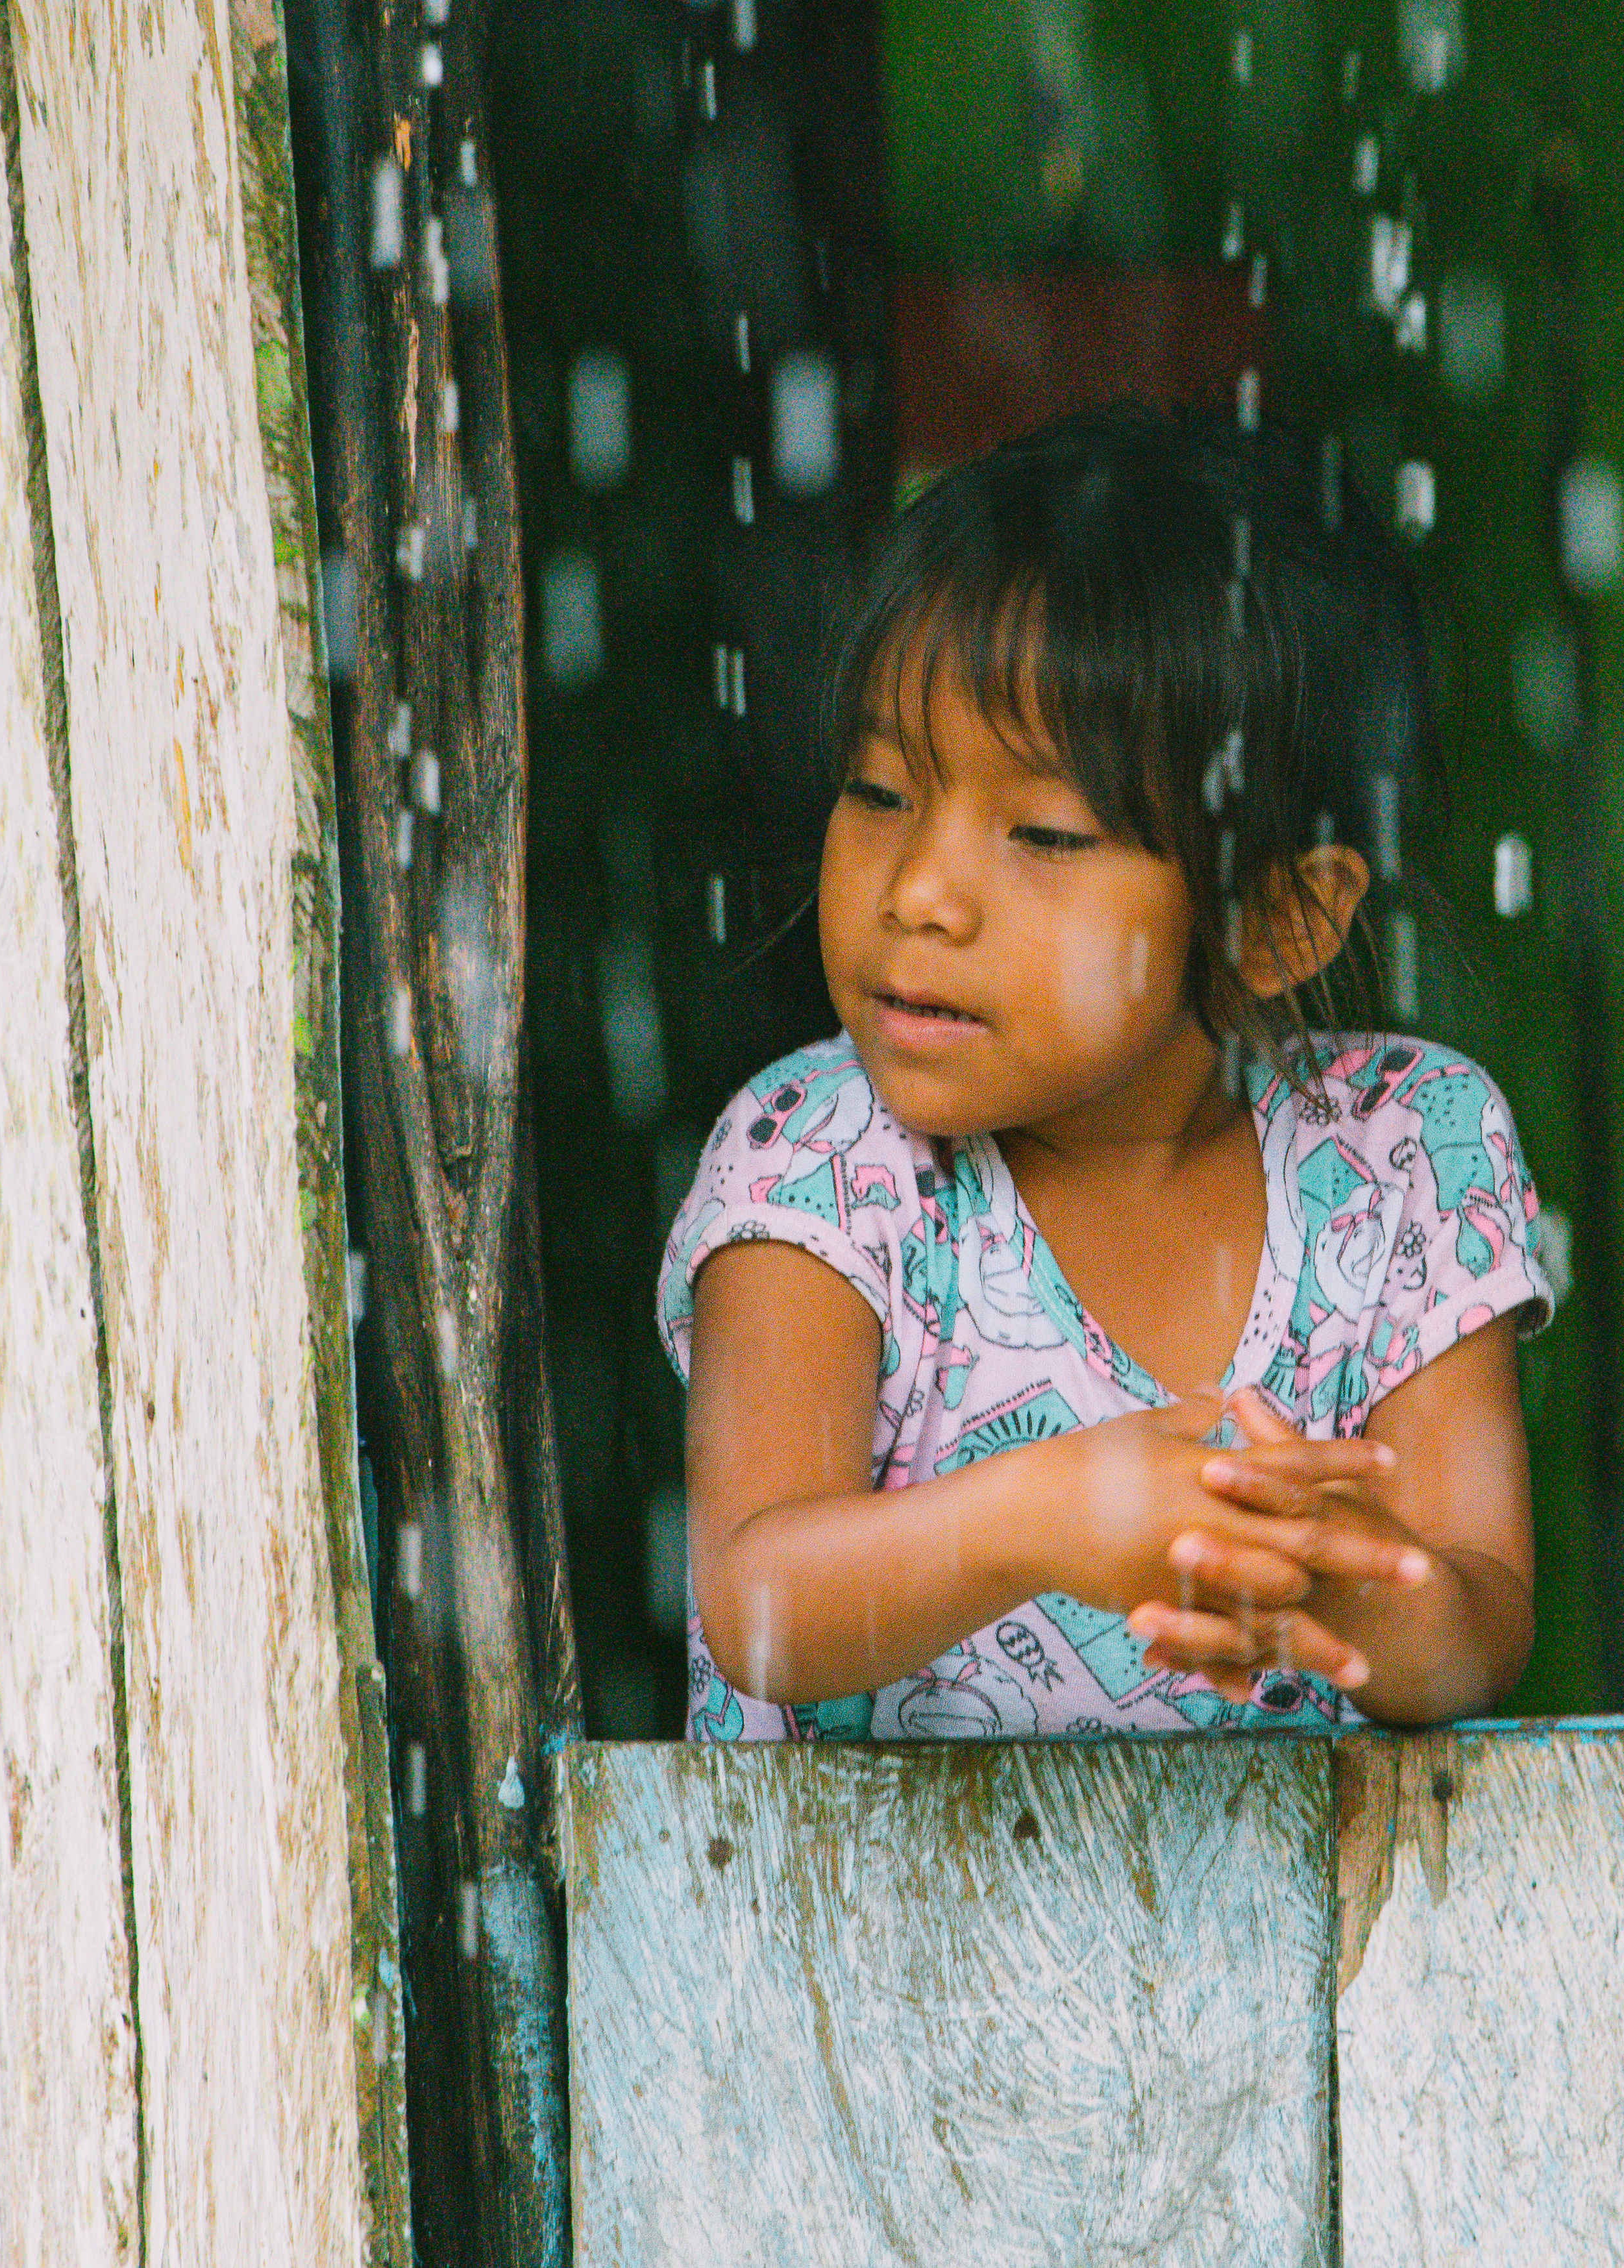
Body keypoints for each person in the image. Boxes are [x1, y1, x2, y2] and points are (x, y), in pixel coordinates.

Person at [661, 401, 1548, 1736]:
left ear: (1275, 918)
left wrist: (1337, 1582)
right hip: (847, 1946)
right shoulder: (816, 1157)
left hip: (1307, 1949)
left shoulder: (1406, 1150)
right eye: (881, 791)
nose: (920, 893)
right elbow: (758, 1600)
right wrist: (1039, 1517)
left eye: (1042, 833)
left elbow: (1481, 1629)